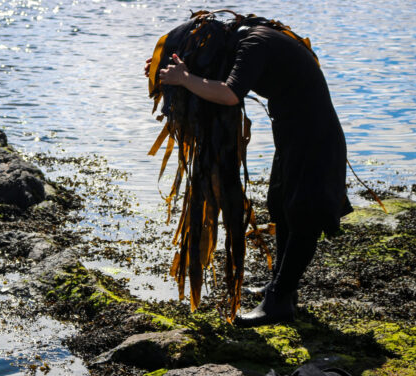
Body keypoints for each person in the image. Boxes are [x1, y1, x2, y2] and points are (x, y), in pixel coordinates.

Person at [143, 24, 352, 327]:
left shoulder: (253, 45)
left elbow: (228, 94)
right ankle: (282, 286)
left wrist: (185, 78)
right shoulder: (244, 40)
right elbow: (219, 76)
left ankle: (279, 300)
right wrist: (163, 68)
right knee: (280, 205)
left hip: (315, 135)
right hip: (294, 132)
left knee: (304, 213)